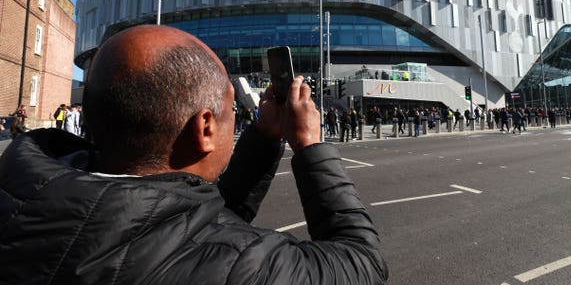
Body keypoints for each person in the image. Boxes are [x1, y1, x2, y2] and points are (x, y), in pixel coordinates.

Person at [0, 25, 387, 284]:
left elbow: (187, 227)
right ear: (204, 129)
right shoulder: (241, 268)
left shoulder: (25, 198)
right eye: (230, 110)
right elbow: (362, 263)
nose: (234, 118)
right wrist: (310, 145)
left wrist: (264, 138)